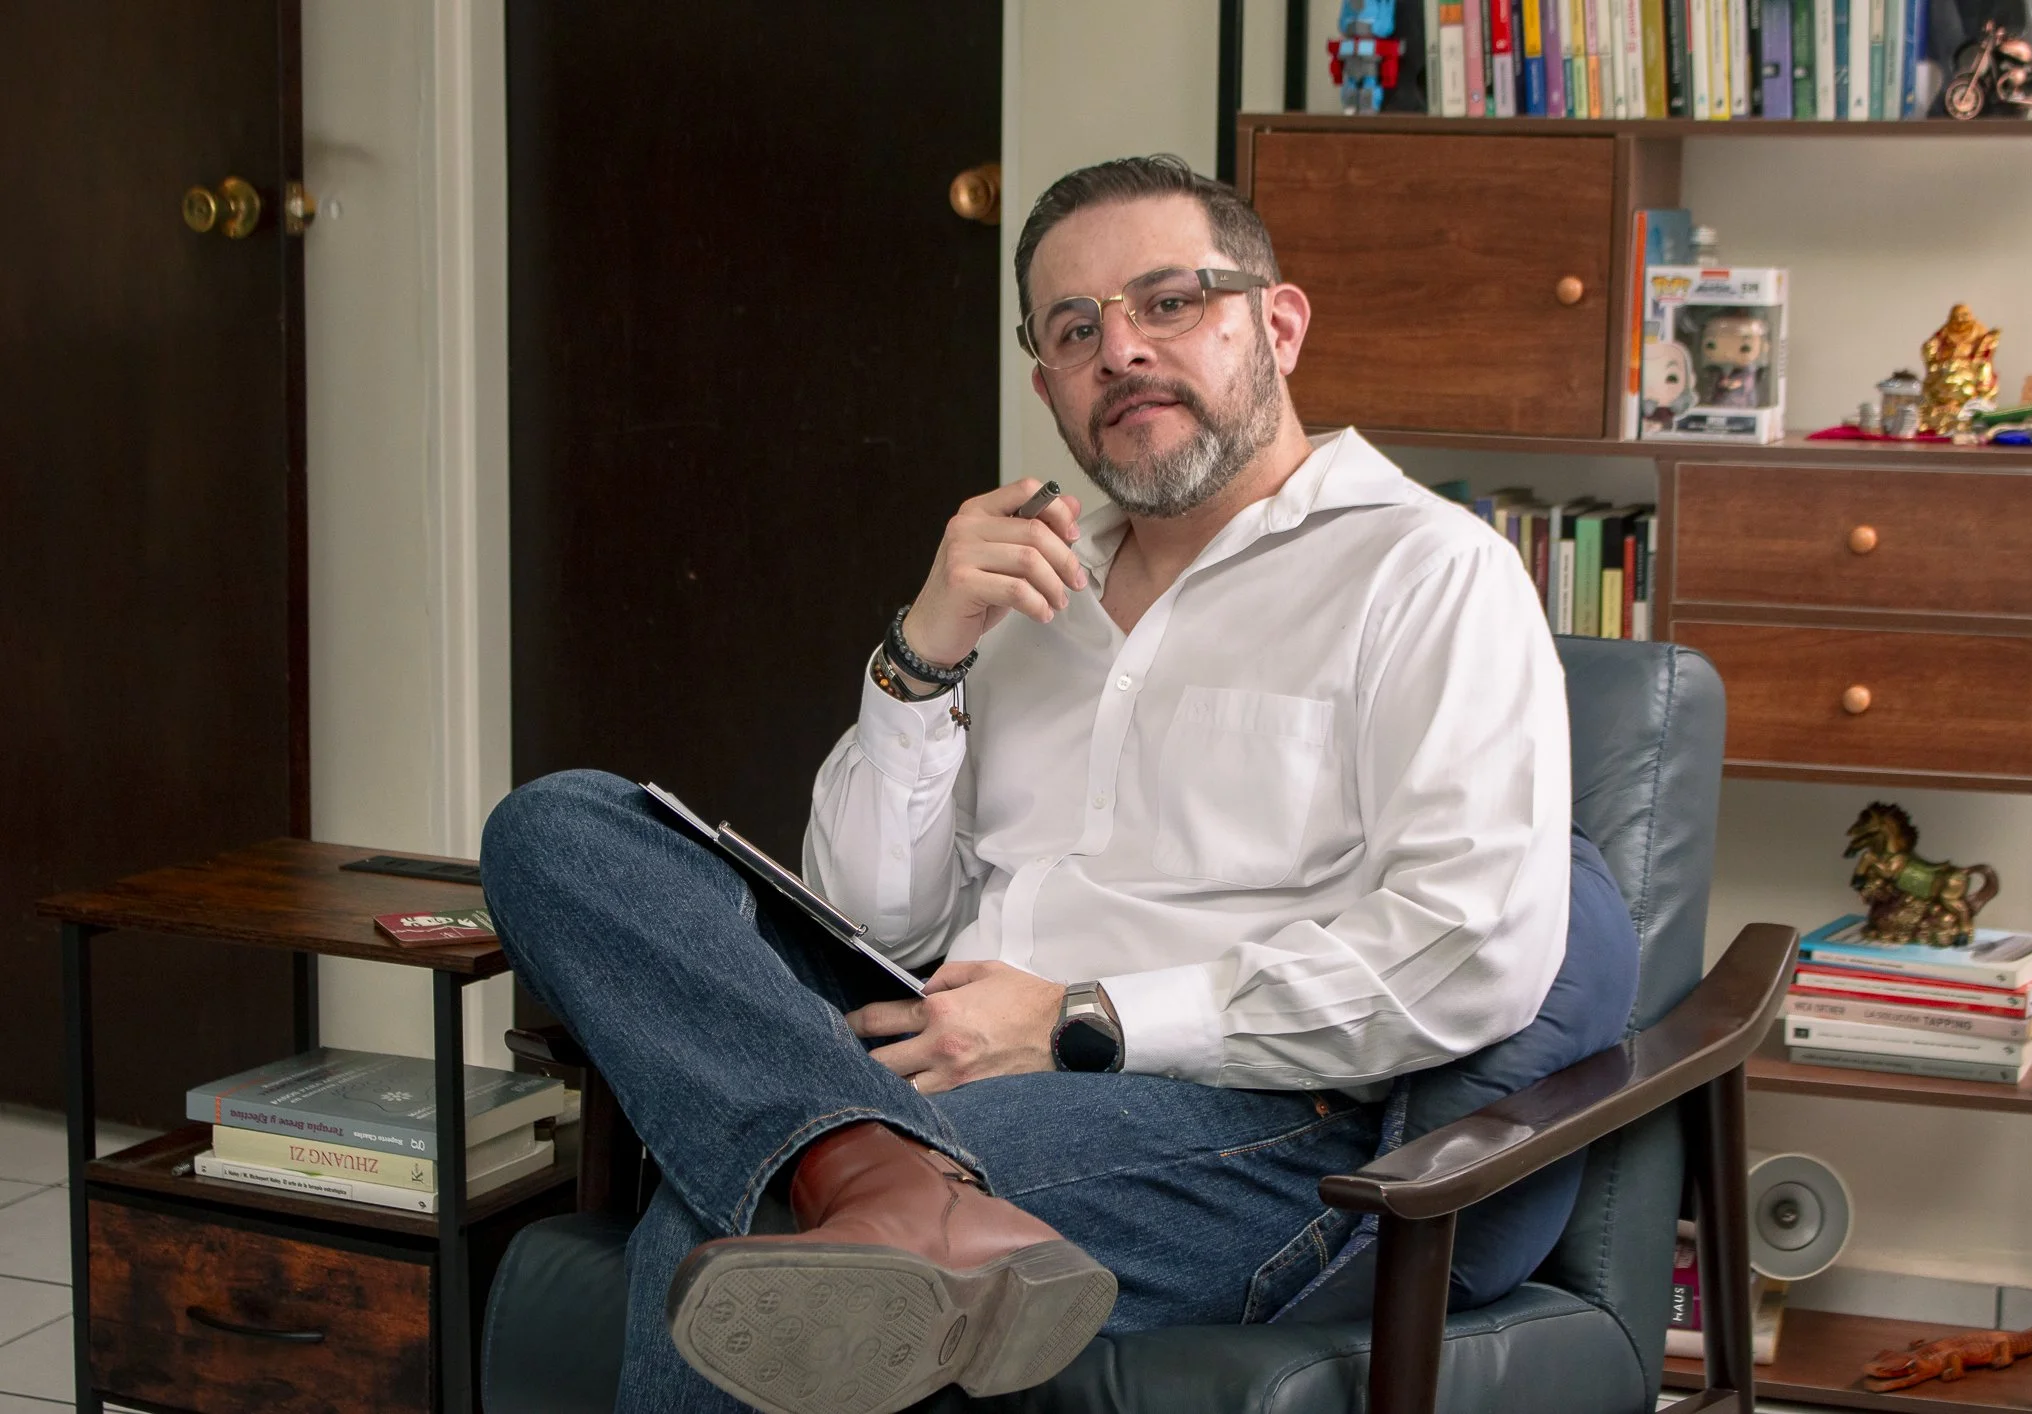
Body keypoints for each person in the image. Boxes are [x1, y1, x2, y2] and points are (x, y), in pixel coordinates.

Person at [482, 153, 1638, 1414]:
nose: (1121, 351)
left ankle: (862, 1176)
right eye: (1076, 329)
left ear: (1279, 323)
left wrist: (1075, 1018)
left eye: (1169, 302)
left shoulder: (1429, 574)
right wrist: (921, 651)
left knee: (745, 1215)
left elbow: (1475, 950)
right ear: (1046, 381)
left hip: (1230, 1115)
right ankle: (882, 1176)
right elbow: (872, 911)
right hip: (923, 1042)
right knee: (565, 825)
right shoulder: (1020, 587)